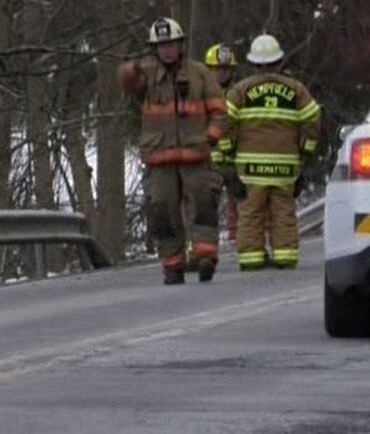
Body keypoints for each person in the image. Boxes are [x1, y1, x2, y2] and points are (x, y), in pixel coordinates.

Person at [119, 18, 226, 285]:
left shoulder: (200, 74)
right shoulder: (147, 76)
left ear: (181, 45)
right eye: (162, 45)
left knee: (203, 204)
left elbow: (219, 110)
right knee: (163, 212)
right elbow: (127, 84)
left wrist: (211, 136)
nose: (167, 50)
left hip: (195, 154)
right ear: (154, 48)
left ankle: (204, 257)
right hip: (160, 158)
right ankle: (172, 264)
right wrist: (129, 70)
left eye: (171, 44)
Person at [222, 34, 321, 270]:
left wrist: (228, 153)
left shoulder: (240, 90)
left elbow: (223, 121)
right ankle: (285, 256)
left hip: (250, 167)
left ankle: (251, 258)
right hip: (285, 165)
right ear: (279, 61)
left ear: (254, 63)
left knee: (251, 213)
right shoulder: (296, 89)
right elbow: (313, 118)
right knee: (283, 212)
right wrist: (305, 151)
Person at [205, 43, 241, 241]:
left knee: (240, 209)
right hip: (211, 164)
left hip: (236, 162)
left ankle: (238, 242)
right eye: (218, 69)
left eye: (226, 69)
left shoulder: (240, 94)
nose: (222, 73)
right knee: (206, 209)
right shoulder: (200, 95)